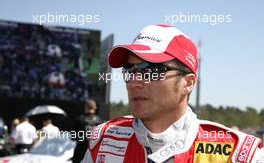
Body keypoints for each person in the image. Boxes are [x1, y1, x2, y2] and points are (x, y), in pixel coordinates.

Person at [81, 24, 264, 163]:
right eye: (130, 71)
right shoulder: (104, 139)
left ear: (188, 83)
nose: (134, 82)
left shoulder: (240, 153)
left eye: (151, 71)